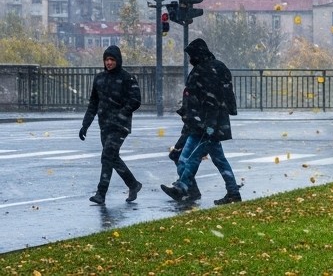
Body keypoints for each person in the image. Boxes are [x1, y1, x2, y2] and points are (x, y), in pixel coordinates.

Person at [160, 38, 243, 204]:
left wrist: (206, 124)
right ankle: (232, 192)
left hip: (205, 124)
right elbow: (223, 96)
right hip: (207, 123)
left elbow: (208, 100)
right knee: (214, 159)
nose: (190, 59)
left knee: (190, 157)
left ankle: (184, 187)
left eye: (192, 55)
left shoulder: (204, 71)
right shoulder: (216, 67)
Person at [79, 45, 142, 205]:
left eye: (112, 59)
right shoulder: (99, 79)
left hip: (120, 126)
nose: (109, 63)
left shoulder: (127, 78)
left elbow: (136, 100)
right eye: (106, 59)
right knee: (112, 158)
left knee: (107, 156)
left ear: (118, 60)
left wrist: (122, 113)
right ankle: (133, 184)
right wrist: (85, 125)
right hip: (104, 125)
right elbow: (93, 103)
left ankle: (101, 193)